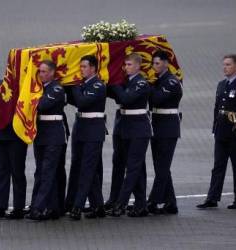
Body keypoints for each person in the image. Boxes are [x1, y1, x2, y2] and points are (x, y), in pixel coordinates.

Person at [108, 53, 152, 217]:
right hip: (125, 128)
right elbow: (113, 94)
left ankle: (121, 203)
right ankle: (141, 205)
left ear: (138, 66)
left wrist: (114, 83)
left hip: (139, 130)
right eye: (125, 65)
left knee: (133, 168)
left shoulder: (141, 83)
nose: (126, 67)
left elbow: (126, 98)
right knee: (137, 168)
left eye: (129, 64)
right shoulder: (126, 82)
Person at [25, 60, 68, 220]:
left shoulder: (56, 89)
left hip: (54, 136)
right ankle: (52, 208)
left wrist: (32, 97)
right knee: (41, 172)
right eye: (39, 72)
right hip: (41, 135)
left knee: (47, 172)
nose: (41, 74)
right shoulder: (41, 88)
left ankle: (39, 207)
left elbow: (41, 105)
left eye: (44, 72)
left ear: (52, 73)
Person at [0, 79, 28, 220]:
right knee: (2, 172)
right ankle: (0, 207)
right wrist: (1, 88)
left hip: (17, 135)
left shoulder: (24, 83)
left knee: (17, 172)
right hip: (0, 135)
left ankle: (18, 208)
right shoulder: (0, 82)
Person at [68, 55, 107, 220]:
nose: (81, 70)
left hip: (93, 131)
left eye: (84, 67)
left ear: (93, 68)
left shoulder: (98, 85)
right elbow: (73, 100)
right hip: (81, 128)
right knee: (82, 168)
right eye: (80, 66)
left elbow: (82, 101)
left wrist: (74, 88)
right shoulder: (84, 84)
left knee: (87, 169)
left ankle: (77, 206)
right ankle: (98, 206)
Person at [197, 54, 236, 209]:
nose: (224, 67)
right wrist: (214, 127)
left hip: (234, 131)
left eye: (228, 64)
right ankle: (212, 198)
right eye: (224, 64)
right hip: (221, 130)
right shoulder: (221, 84)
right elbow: (217, 108)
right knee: (218, 166)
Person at [147, 50, 183, 215]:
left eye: (157, 63)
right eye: (153, 63)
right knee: (161, 166)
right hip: (158, 126)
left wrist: (145, 86)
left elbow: (156, 99)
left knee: (162, 167)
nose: (154, 66)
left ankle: (153, 201)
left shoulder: (171, 82)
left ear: (166, 64)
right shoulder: (158, 80)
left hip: (168, 128)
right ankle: (171, 203)